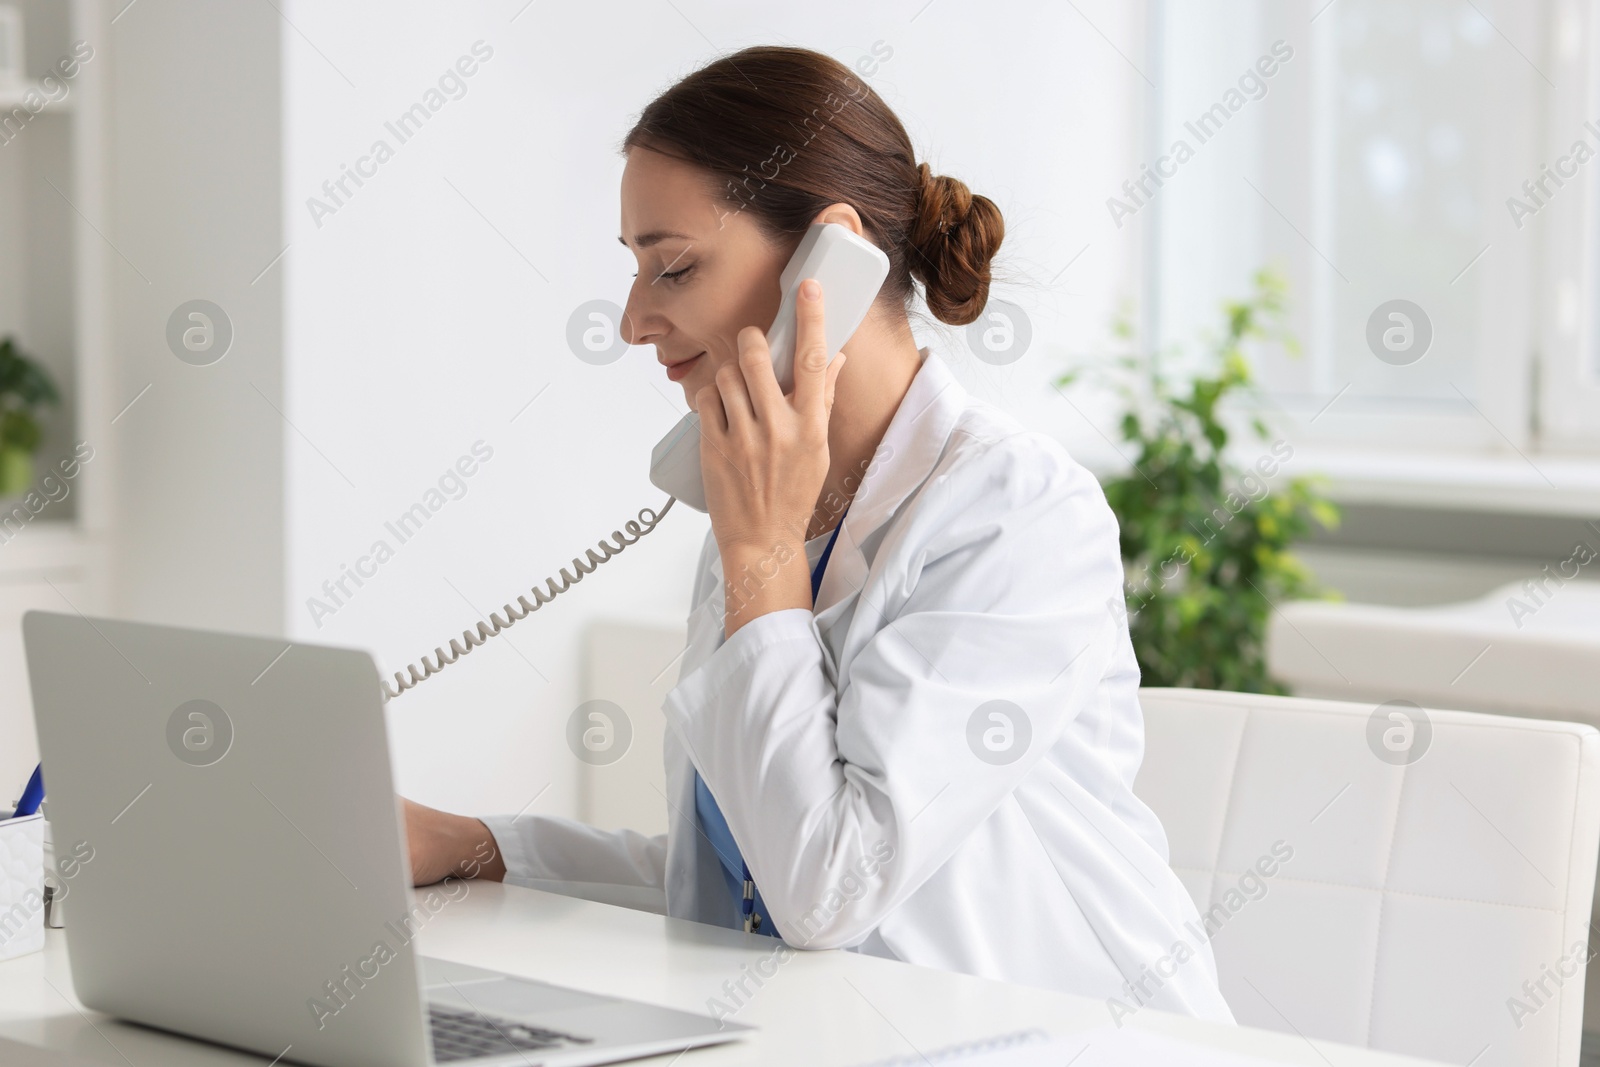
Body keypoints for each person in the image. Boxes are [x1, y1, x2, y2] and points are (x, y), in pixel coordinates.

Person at [403, 44, 1235, 1023]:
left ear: (825, 260)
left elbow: (827, 887)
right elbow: (745, 877)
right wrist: (476, 846)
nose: (634, 320)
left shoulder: (1017, 512)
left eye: (673, 266)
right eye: (635, 271)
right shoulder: (761, 519)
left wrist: (760, 557)